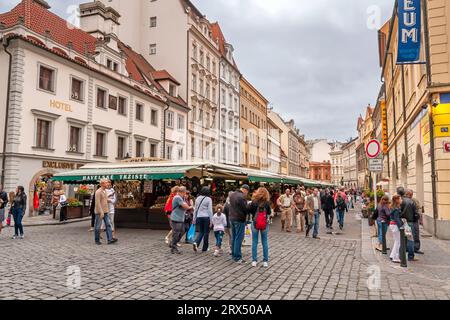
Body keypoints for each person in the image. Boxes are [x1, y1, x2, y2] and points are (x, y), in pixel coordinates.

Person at [248, 187, 273, 268]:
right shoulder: (267, 202)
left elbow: (249, 211)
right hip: (264, 224)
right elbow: (269, 212)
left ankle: (254, 261)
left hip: (255, 223)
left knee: (254, 242)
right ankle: (265, 261)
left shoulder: (254, 201)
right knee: (264, 242)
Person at [229, 184, 250, 263]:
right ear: (245, 190)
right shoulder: (242, 197)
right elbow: (245, 209)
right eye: (247, 192)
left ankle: (234, 255)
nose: (246, 194)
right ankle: (237, 257)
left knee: (234, 237)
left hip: (232, 218)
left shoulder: (232, 195)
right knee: (239, 238)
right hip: (239, 219)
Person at [94, 179, 117, 245]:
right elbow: (97, 203)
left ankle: (110, 239)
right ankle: (97, 240)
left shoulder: (105, 191)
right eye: (107, 183)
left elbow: (106, 200)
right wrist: (101, 212)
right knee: (98, 226)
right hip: (99, 212)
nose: (108, 184)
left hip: (106, 211)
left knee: (108, 225)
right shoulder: (98, 192)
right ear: (102, 184)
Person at [170, 186, 193, 254]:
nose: (185, 194)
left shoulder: (180, 197)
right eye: (185, 192)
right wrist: (191, 206)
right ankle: (173, 247)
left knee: (183, 229)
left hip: (179, 218)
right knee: (176, 233)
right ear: (183, 192)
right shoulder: (177, 197)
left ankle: (173, 243)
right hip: (176, 218)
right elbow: (186, 207)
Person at [397, 187, 417, 261]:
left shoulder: (400, 201)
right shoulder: (411, 202)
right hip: (410, 222)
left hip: (402, 222)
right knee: (410, 240)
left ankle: (400, 255)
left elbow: (397, 211)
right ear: (410, 194)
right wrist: (414, 220)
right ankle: (410, 257)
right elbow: (416, 214)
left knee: (402, 239)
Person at [192, 186, 213, 253]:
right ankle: (205, 248)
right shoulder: (209, 199)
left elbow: (195, 210)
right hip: (206, 217)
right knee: (206, 233)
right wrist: (211, 220)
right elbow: (210, 210)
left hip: (199, 217)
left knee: (201, 232)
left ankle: (196, 243)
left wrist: (194, 218)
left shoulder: (197, 198)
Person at [406, 190, 424, 255]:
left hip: (415, 220)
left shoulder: (415, 200)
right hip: (408, 220)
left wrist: (419, 217)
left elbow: (419, 209)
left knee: (416, 234)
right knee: (408, 235)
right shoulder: (404, 201)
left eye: (411, 194)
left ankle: (416, 248)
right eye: (409, 194)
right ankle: (408, 248)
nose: (410, 196)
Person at [389, 195, 403, 263]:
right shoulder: (396, 209)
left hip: (392, 225)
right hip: (395, 225)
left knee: (396, 241)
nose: (401, 200)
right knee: (398, 242)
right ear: (397, 200)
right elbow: (397, 218)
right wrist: (401, 227)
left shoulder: (393, 207)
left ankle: (392, 255)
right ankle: (395, 257)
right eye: (400, 199)